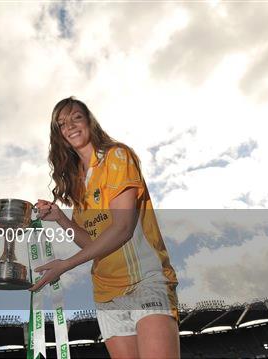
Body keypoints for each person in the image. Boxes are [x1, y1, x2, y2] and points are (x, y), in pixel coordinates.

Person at [32, 97, 180, 358]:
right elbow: (92, 244)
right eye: (62, 124)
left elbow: (122, 229)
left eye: (76, 117)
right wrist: (61, 219)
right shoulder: (78, 183)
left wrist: (65, 264)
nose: (70, 126)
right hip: (105, 294)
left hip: (145, 281)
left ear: (89, 121)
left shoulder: (117, 156)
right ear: (59, 135)